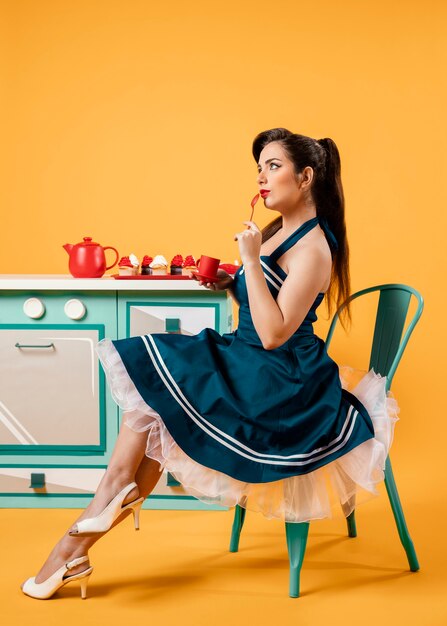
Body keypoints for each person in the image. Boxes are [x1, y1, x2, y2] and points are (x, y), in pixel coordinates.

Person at [21, 128, 399, 600]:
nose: (262, 177)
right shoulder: (279, 231)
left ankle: (91, 521)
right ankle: (90, 526)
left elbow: (273, 332)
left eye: (273, 166)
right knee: (164, 388)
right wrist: (232, 279)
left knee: (164, 371)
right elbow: (263, 299)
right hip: (249, 361)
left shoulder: (314, 247)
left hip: (284, 381)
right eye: (259, 167)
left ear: (305, 177)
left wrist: (249, 259)